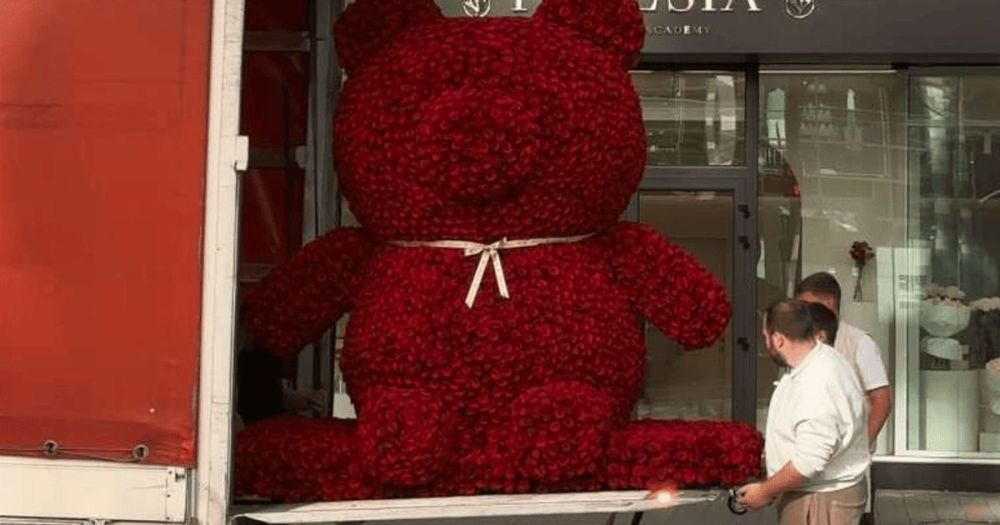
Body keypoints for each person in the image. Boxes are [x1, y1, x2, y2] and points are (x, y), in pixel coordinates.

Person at [738, 299, 870, 525]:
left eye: (766, 337)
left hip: (820, 501)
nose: (766, 343)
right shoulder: (820, 358)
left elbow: (809, 462)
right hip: (817, 494)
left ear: (778, 339)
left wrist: (765, 492)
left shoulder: (816, 382)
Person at [796, 272, 891, 446]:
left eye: (807, 305)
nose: (803, 312)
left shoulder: (859, 342)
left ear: (828, 303)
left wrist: (860, 447)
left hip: (849, 456)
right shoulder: (800, 341)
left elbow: (881, 401)